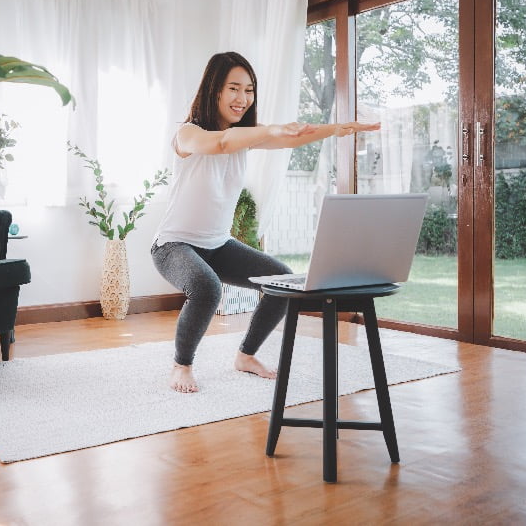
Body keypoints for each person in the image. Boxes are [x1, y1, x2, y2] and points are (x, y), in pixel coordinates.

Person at [151, 51, 381, 393]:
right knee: (207, 287)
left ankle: (246, 355)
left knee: (283, 283)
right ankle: (181, 364)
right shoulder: (188, 133)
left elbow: (294, 137)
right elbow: (222, 142)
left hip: (218, 244)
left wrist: (338, 129)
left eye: (249, 90)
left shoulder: (246, 139)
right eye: (234, 88)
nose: (243, 98)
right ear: (214, 90)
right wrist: (268, 129)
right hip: (173, 245)